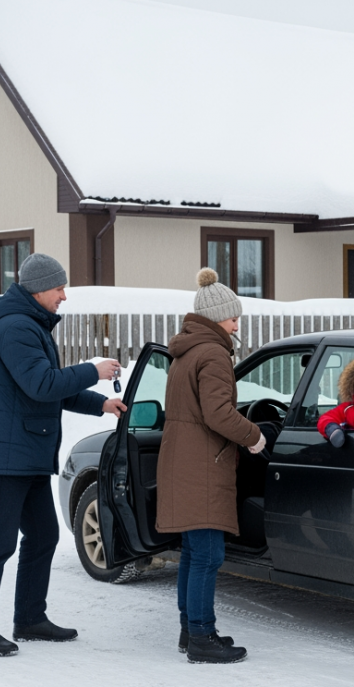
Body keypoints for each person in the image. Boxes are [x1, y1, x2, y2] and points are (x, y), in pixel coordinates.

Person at [0, 253, 126, 657]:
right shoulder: (16, 328)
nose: (64, 296)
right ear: (38, 289)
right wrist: (93, 370)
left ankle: (30, 618)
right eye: (59, 288)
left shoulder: (30, 325)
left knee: (43, 535)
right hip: (7, 455)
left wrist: (101, 404)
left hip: (27, 452)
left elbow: (51, 386)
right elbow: (40, 383)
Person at [156, 267, 266, 664]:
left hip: (183, 461)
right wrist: (254, 436)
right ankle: (202, 636)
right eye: (233, 314)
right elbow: (218, 413)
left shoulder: (187, 351)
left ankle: (192, 629)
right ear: (217, 316)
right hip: (202, 464)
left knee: (193, 551)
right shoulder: (214, 353)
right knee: (207, 555)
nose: (238, 320)